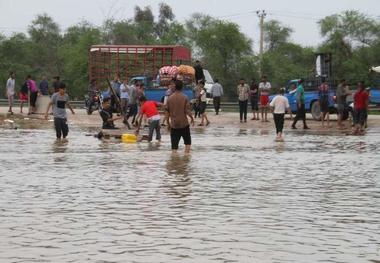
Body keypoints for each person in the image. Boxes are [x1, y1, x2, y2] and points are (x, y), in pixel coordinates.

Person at [166, 79, 195, 153]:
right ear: (182, 87)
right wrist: (192, 118)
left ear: (175, 87)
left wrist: (168, 124)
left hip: (174, 125)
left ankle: (175, 161)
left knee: (174, 147)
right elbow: (187, 110)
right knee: (188, 143)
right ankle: (186, 159)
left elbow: (167, 113)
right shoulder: (185, 97)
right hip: (184, 124)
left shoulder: (169, 98)